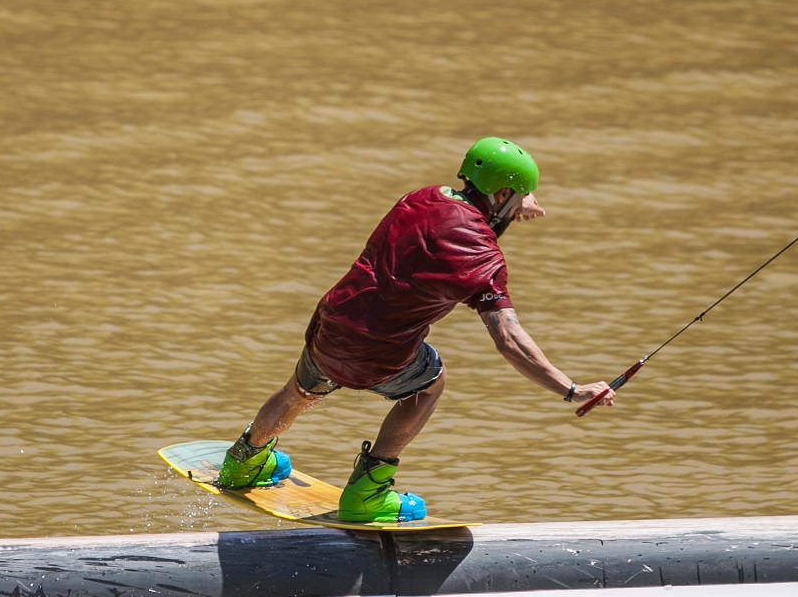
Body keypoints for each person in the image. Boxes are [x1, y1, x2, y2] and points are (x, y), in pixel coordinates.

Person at [216, 137, 616, 522]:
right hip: (379, 354)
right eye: (517, 197)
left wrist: (511, 201)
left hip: (331, 325)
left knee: (299, 391)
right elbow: (509, 338)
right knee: (431, 382)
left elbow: (444, 229)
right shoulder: (482, 256)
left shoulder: (419, 198)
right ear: (500, 196)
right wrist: (570, 388)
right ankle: (368, 493)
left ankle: (244, 461)